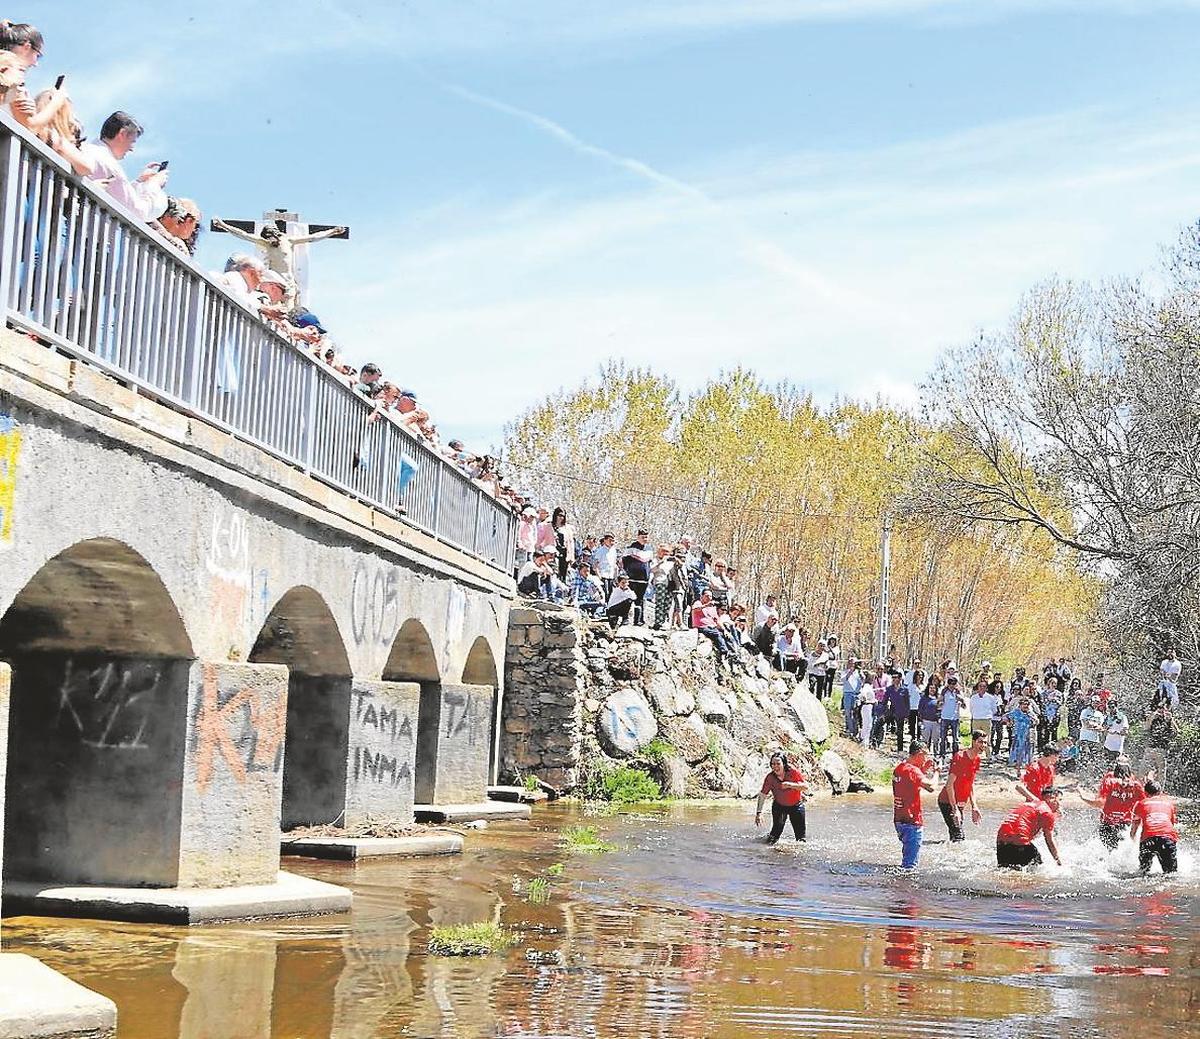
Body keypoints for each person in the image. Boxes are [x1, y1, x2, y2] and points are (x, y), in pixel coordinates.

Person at [211, 217, 347, 306]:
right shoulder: (264, 242)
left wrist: (331, 232)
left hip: (287, 280)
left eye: (271, 238)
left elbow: (312, 237)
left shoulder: (288, 240)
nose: (270, 241)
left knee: (289, 307)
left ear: (276, 234)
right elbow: (244, 235)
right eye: (267, 239)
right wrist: (224, 226)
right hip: (272, 280)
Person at [79, 112, 168, 221]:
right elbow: (139, 212)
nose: (132, 148)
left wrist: (139, 182)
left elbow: (118, 196)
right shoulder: (109, 165)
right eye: (132, 141)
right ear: (122, 134)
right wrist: (154, 185)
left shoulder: (86, 150)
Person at [1079, 762, 1144, 851]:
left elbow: (1099, 803)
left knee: (1108, 851)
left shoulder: (1109, 781)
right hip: (1126, 824)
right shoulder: (1136, 785)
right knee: (1123, 850)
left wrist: (1083, 798)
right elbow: (1144, 805)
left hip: (1108, 823)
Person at [892, 741, 938, 869]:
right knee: (910, 867)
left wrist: (923, 769)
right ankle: (905, 887)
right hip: (912, 822)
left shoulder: (900, 768)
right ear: (919, 754)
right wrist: (937, 773)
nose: (926, 759)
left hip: (899, 821)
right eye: (926, 755)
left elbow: (911, 780)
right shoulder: (912, 771)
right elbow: (931, 787)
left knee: (907, 858)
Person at [996, 787, 1063, 869]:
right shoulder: (1047, 813)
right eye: (1060, 800)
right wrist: (1058, 861)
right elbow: (1049, 841)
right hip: (1019, 839)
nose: (1060, 806)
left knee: (1005, 871)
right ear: (1052, 798)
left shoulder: (1034, 803)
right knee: (1036, 869)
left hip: (1001, 839)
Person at [938, 730, 987, 842]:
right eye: (980, 742)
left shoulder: (977, 759)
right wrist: (955, 809)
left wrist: (974, 807)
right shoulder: (960, 757)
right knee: (959, 837)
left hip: (960, 802)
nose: (983, 745)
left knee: (955, 835)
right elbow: (949, 785)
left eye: (985, 743)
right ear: (973, 742)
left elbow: (970, 784)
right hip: (947, 801)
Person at [755, 752, 809, 843]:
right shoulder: (770, 778)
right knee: (773, 838)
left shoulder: (792, 772)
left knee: (801, 840)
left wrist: (790, 785)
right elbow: (763, 795)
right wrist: (759, 813)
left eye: (778, 764)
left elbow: (805, 787)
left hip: (796, 806)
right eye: (773, 764)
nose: (775, 766)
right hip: (779, 807)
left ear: (784, 764)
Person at [1130, 781, 1179, 875]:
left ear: (1145, 793)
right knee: (1171, 874)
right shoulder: (1169, 804)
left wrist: (1133, 836)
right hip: (1167, 838)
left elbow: (1135, 824)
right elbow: (1171, 824)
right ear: (1160, 792)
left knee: (1143, 872)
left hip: (1148, 839)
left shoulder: (1141, 803)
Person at [691, 590, 740, 663]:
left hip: (712, 627)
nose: (709, 598)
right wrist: (706, 605)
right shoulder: (698, 603)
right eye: (707, 596)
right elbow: (695, 609)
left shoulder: (712, 608)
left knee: (726, 635)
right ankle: (724, 651)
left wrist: (724, 630)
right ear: (702, 596)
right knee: (717, 634)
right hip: (701, 626)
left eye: (710, 596)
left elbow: (717, 620)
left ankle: (734, 653)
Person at [621, 530, 653, 625]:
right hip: (632, 578)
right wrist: (628, 572)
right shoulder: (631, 548)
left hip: (644, 579)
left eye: (646, 537)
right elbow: (624, 561)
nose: (645, 539)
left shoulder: (649, 549)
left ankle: (639, 620)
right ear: (638, 537)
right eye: (643, 537)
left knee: (641, 600)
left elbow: (649, 563)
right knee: (629, 598)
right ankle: (625, 618)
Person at [1141, 705, 1177, 784]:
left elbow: (1176, 732)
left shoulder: (1168, 720)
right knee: (1143, 769)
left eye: (1163, 709)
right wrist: (1152, 717)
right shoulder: (1153, 719)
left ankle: (1160, 790)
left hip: (1162, 749)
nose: (1161, 711)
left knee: (1161, 771)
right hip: (1150, 748)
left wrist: (1171, 720)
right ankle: (1140, 786)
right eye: (1159, 709)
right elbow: (1146, 728)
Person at [1077, 694, 1105, 772]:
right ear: (1091, 702)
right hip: (1085, 738)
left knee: (1095, 758)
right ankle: (1081, 773)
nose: (1096, 704)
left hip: (1095, 739)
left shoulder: (1100, 714)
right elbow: (1085, 724)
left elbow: (1101, 727)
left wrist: (1095, 726)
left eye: (1097, 702)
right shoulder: (1085, 711)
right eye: (1094, 702)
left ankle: (1094, 775)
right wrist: (1095, 726)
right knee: (1084, 757)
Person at [938, 675, 964, 761]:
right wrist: (941, 702)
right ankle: (942, 754)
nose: (952, 685)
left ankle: (955, 755)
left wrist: (961, 700)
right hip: (945, 717)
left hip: (955, 717)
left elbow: (964, 706)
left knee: (955, 739)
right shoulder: (944, 691)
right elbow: (939, 702)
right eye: (950, 683)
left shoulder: (958, 692)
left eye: (954, 683)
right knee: (943, 737)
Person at [1006, 696, 1036, 768]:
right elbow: (1006, 716)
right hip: (1017, 733)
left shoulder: (1030, 713)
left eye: (1027, 704)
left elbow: (1037, 721)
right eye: (1024, 704)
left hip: (1027, 733)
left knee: (1026, 747)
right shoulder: (1016, 712)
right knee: (1016, 746)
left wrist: (1033, 720)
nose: (1025, 706)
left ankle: (1025, 762)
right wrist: (1009, 722)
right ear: (1020, 705)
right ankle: (1013, 761)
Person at [841, 657, 865, 738]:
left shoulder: (859, 672)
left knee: (855, 713)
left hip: (856, 694)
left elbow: (863, 682)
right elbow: (843, 680)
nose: (852, 664)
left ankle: (855, 730)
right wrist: (849, 672)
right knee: (848, 712)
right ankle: (849, 729)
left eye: (854, 663)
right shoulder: (845, 671)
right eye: (850, 662)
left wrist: (861, 674)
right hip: (847, 693)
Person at [969, 679, 997, 746]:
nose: (982, 688)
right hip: (976, 720)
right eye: (980, 686)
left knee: (986, 740)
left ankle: (988, 756)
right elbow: (971, 708)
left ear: (986, 688)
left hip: (986, 720)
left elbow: (994, 710)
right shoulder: (973, 697)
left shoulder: (991, 698)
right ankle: (975, 755)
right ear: (978, 687)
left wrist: (988, 715)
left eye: (984, 686)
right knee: (975, 740)